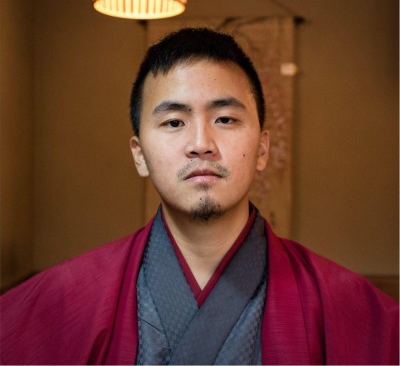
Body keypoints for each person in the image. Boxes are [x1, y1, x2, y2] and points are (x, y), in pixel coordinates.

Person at [0, 28, 398, 365]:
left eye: (225, 119)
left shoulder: (349, 308)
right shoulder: (60, 302)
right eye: (174, 122)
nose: (201, 143)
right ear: (140, 155)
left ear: (262, 148)